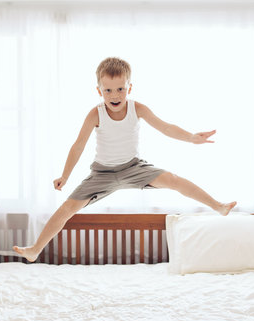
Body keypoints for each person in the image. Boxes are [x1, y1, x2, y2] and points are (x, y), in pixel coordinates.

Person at [13, 57, 236, 262]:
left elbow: (165, 127)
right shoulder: (95, 114)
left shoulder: (137, 109)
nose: (115, 95)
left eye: (120, 89)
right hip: (102, 173)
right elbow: (78, 145)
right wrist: (65, 175)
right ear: (99, 91)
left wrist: (191, 138)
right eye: (108, 90)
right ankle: (35, 250)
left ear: (129, 88)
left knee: (174, 180)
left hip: (133, 167)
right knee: (66, 209)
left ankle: (218, 206)